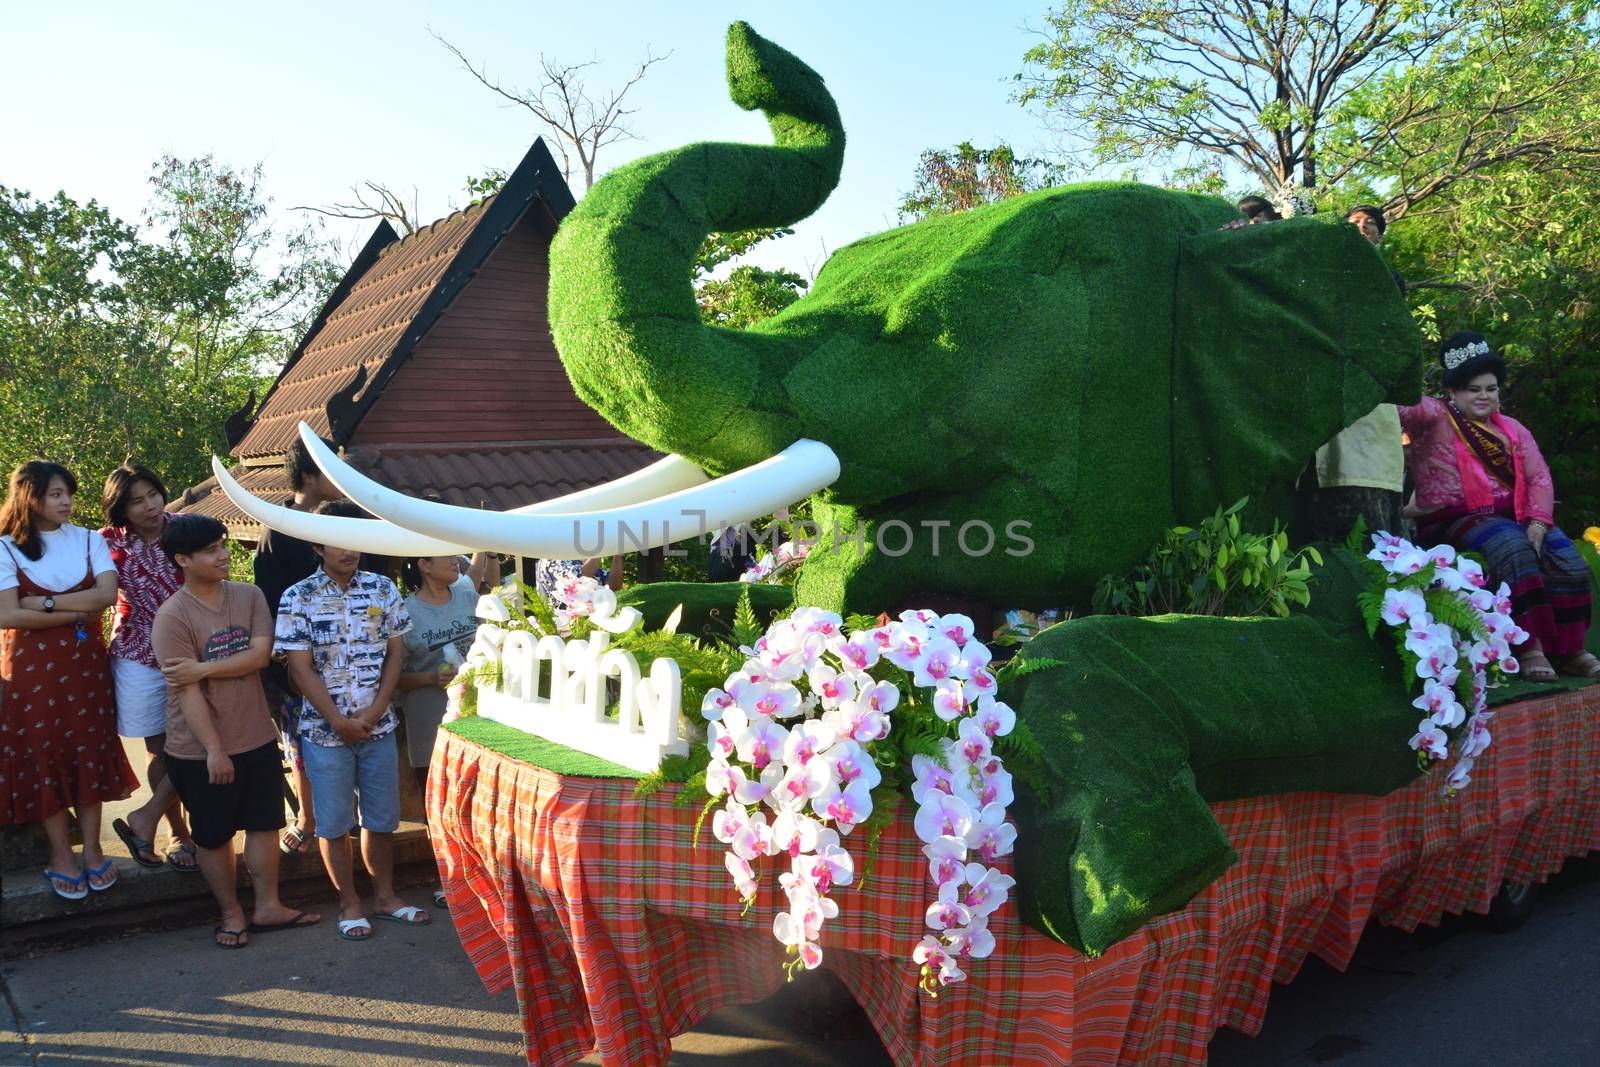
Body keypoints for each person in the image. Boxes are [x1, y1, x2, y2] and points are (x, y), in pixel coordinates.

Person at [152, 515, 321, 947]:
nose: (224, 555)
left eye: (223, 545)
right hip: (198, 746)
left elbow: (260, 656)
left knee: (265, 823)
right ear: (183, 560)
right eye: (211, 550)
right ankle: (231, 913)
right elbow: (187, 692)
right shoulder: (172, 617)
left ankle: (268, 906)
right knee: (213, 833)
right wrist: (213, 749)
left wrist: (204, 668)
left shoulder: (248, 597)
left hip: (256, 734)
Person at [1398, 331, 1599, 681]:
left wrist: (1538, 522)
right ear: (1453, 392)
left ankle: (1570, 650)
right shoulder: (1434, 416)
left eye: (1490, 389)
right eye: (1473, 389)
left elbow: (1539, 478)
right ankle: (1529, 649)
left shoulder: (1514, 430)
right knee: (1513, 549)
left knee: (1568, 560)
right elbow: (1398, 407)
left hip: (1517, 518)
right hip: (1452, 519)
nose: (1483, 396)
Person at [275, 499, 428, 940]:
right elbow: (299, 667)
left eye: (355, 539)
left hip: (379, 725)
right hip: (325, 733)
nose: (350, 549)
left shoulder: (382, 588)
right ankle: (349, 903)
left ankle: (386, 897)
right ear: (318, 546)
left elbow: (397, 651)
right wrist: (336, 719)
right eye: (339, 541)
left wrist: (378, 708)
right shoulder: (297, 597)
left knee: (381, 819)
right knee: (334, 822)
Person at [0, 461, 136, 900]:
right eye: (56, 494)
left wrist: (43, 604)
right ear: (29, 497)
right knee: (44, 753)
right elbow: (6, 614)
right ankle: (61, 854)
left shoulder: (88, 540)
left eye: (68, 493)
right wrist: (74, 612)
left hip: (84, 666)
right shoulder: (4, 548)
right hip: (29, 668)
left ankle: (94, 851)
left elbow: (105, 596)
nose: (66, 502)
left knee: (86, 748)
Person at [100, 462, 197, 872]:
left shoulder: (187, 528)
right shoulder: (105, 543)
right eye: (135, 501)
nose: (149, 506)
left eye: (152, 494)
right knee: (160, 748)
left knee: (202, 741)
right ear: (121, 509)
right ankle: (179, 835)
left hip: (194, 651)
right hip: (138, 653)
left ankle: (147, 817)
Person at [253, 435, 344, 857]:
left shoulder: (344, 519)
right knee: (301, 737)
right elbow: (270, 601)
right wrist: (286, 658)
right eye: (330, 466)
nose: (340, 475)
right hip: (295, 661)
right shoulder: (278, 529)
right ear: (308, 474)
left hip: (347, 656)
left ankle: (343, 814)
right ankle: (307, 818)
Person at [396, 555, 477, 786]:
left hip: (475, 718)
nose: (456, 561)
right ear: (424, 565)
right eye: (448, 556)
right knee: (435, 798)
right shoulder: (405, 613)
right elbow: (393, 678)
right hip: (429, 724)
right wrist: (431, 677)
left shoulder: (469, 599)